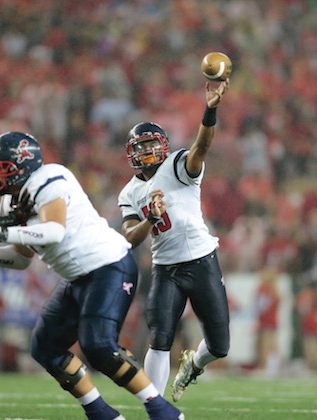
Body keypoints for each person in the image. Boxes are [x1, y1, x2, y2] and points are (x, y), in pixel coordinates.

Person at [0, 131, 184, 420]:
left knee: (98, 345)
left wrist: (0, 231)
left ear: (23, 164)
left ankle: (163, 411)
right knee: (45, 347)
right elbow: (21, 258)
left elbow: (54, 230)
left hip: (108, 264)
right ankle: (100, 412)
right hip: (76, 277)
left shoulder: (50, 179)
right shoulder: (10, 204)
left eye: (2, 167)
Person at [118, 79, 230, 402]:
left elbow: (202, 147)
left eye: (148, 144)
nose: (144, 152)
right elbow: (129, 236)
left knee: (220, 346)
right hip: (166, 267)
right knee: (160, 337)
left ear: (163, 146)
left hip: (201, 260)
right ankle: (156, 408)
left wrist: (211, 108)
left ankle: (193, 365)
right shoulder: (129, 192)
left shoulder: (177, 164)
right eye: (137, 147)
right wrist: (150, 219)